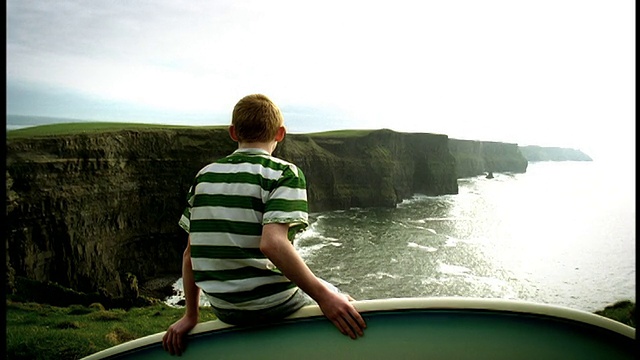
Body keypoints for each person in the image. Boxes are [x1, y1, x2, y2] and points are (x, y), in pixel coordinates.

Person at [162, 94, 366, 356]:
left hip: (225, 308)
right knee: (341, 298)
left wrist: (191, 315)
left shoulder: (204, 176)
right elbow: (272, 243)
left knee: (325, 290)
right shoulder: (284, 173)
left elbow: (190, 253)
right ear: (280, 134)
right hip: (272, 304)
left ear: (233, 133)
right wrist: (325, 298)